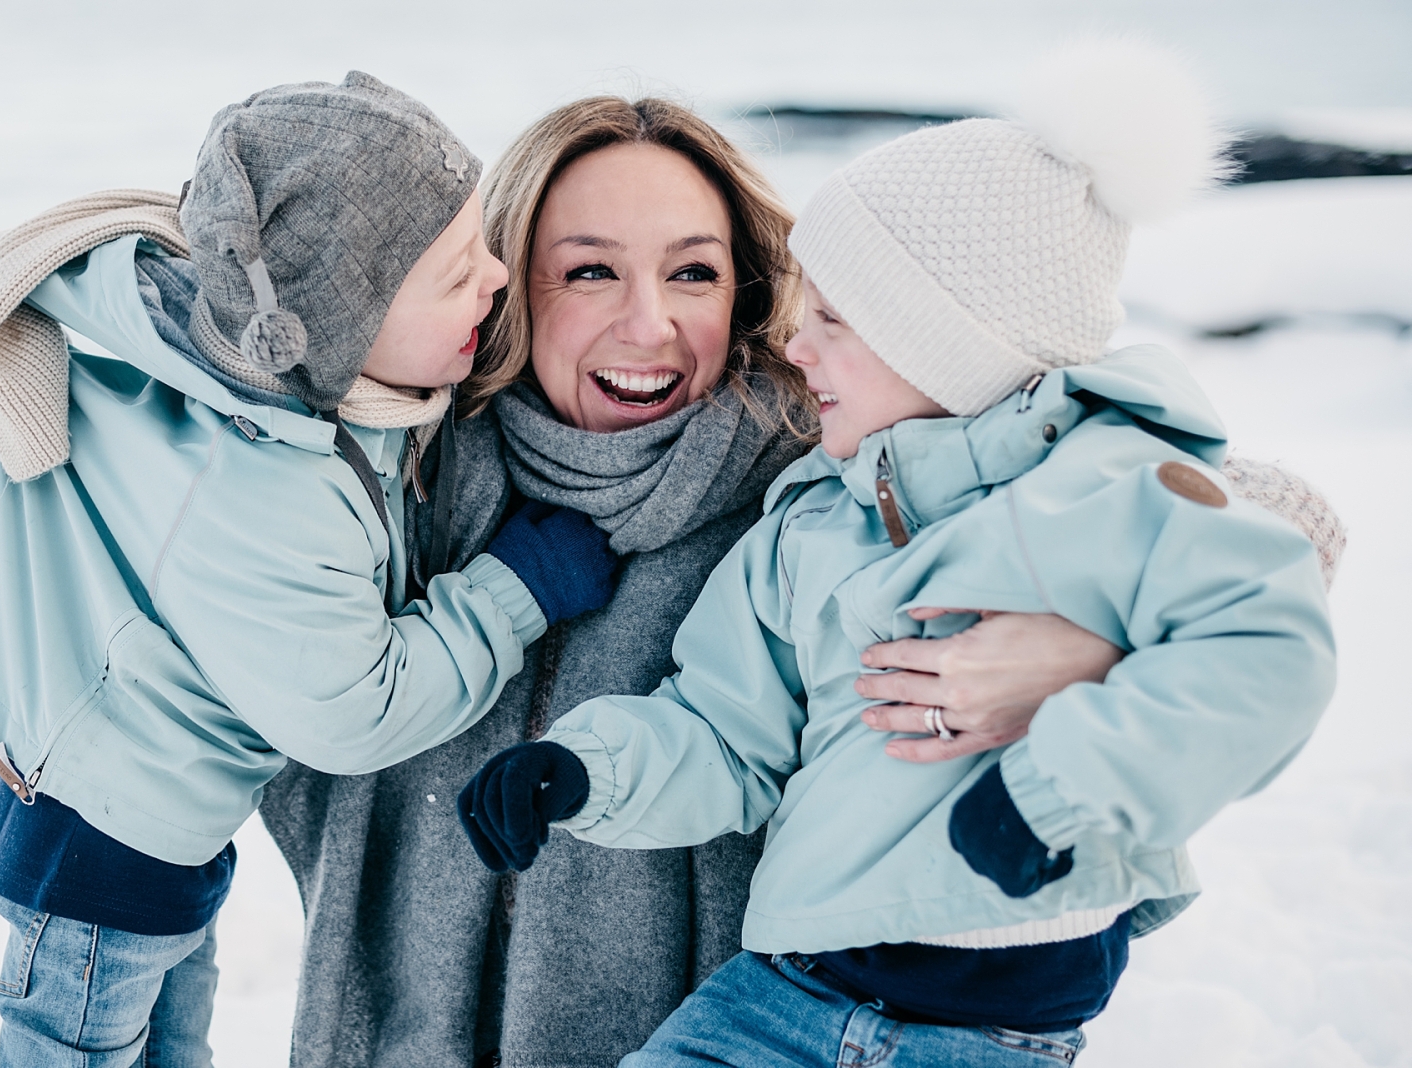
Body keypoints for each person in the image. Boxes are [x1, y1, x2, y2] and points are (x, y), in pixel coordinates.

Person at [457, 45, 1337, 1066]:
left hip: (987, 1036)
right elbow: (728, 727)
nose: (795, 346)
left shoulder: (1109, 490)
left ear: (941, 345)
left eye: (832, 320)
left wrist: (1051, 785)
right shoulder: (810, 522)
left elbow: (1265, 652)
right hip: (778, 1000)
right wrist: (582, 771)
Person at [0, 74, 618, 1068]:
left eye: (483, 242)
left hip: (145, 808)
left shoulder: (285, 372)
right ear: (340, 327)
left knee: (172, 1036)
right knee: (77, 1045)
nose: (496, 277)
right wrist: (512, 590)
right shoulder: (266, 483)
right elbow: (353, 710)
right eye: (455, 275)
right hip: (105, 846)